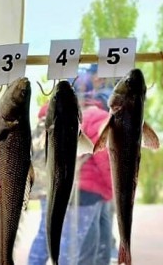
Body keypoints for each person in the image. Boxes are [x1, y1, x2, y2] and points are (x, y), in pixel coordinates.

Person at [57, 69, 114, 265]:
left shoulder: (59, 115)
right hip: (90, 193)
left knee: (71, 247)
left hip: (67, 190)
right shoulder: (96, 116)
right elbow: (105, 158)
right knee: (85, 251)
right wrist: (111, 190)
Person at [26, 103, 50, 265]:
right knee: (46, 229)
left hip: (41, 186)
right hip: (47, 187)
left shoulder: (35, 132)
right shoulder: (45, 133)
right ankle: (35, 262)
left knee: (46, 227)